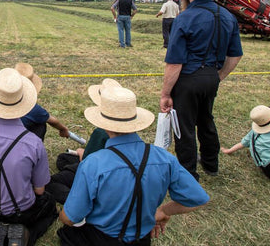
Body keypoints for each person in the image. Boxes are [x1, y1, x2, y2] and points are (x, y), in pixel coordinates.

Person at [57, 86, 209, 246]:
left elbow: (69, 218)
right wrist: (163, 210)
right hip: (141, 239)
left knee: (67, 233)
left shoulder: (93, 163)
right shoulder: (165, 158)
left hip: (100, 238)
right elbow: (198, 199)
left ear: (104, 124)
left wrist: (62, 214)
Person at [159, 0, 243, 180]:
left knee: (184, 127)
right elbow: (235, 55)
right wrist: (219, 76)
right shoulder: (227, 16)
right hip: (211, 77)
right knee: (206, 120)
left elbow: (174, 63)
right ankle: (210, 164)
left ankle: (187, 174)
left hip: (188, 78)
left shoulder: (185, 18)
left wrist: (166, 93)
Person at [0, 68, 58, 246]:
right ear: (25, 102)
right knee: (49, 204)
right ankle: (26, 234)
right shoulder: (34, 143)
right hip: (23, 210)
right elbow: (39, 191)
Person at [46, 79, 119, 204]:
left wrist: (81, 153)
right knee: (64, 158)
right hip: (117, 172)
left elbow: (88, 163)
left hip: (99, 175)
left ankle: (79, 201)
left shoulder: (102, 132)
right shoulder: (130, 131)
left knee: (52, 182)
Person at [0, 63, 69, 141]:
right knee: (40, 124)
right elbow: (53, 121)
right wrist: (63, 129)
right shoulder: (34, 109)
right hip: (17, 148)